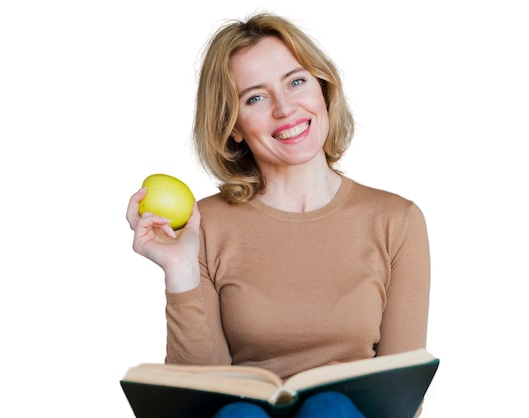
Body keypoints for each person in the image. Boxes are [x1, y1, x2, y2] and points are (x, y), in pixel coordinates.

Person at [126, 12, 430, 418]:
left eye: (296, 81)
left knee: (331, 409)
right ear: (233, 125)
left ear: (322, 89)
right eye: (256, 97)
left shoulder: (397, 220)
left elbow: (400, 395)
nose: (285, 108)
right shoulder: (203, 225)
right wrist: (180, 271)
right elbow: (200, 397)